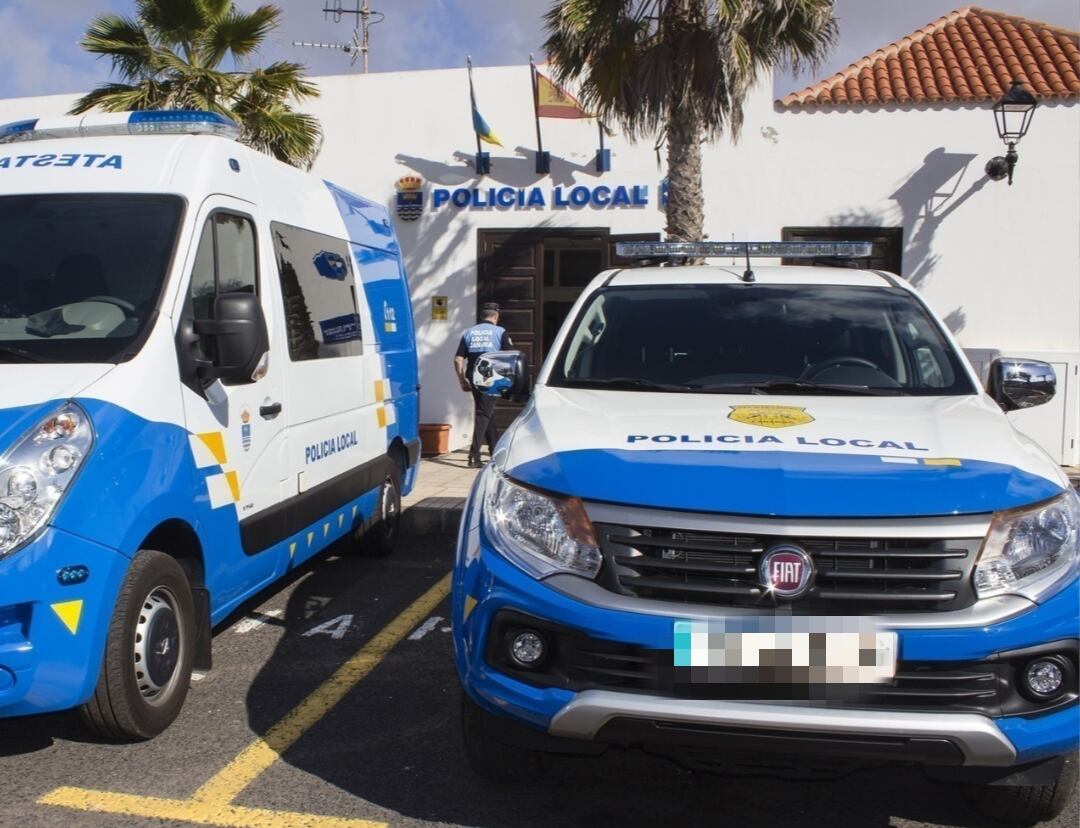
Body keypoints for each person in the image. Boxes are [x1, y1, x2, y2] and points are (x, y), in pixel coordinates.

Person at [455, 302, 513, 468]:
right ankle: (474, 456)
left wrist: (461, 380)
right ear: (496, 316)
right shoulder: (500, 332)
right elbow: (509, 355)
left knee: (486, 411)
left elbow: (458, 359)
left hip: (473, 376)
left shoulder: (469, 332)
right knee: (483, 413)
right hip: (490, 377)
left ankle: (494, 450)